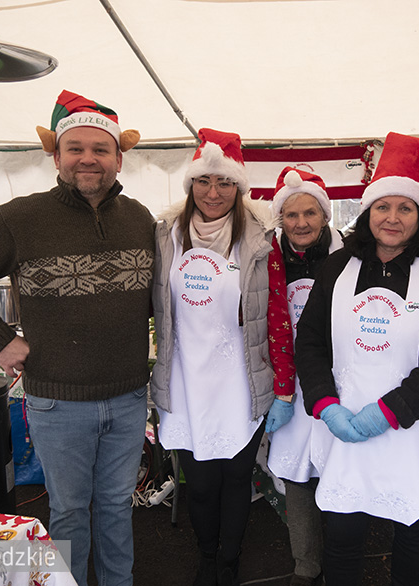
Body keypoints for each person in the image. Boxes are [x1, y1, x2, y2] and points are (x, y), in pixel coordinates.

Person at [0, 90, 154, 586]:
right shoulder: (21, 218)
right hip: (58, 400)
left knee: (118, 507)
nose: (88, 159)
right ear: (55, 155)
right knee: (72, 511)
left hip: (127, 397)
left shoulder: (139, 219)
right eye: (75, 147)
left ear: (120, 158)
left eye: (100, 149)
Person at [294, 132, 419, 586]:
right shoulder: (336, 267)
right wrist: (323, 403)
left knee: (411, 527)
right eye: (382, 207)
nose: (392, 218)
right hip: (343, 420)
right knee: (344, 530)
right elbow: (309, 340)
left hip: (410, 425)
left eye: (404, 208)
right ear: (368, 212)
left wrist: (391, 411)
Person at [150, 128, 295, 586]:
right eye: (204, 182)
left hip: (239, 380)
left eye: (225, 183)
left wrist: (283, 386)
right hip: (186, 380)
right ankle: (206, 557)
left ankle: (229, 563)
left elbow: (277, 316)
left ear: (239, 188)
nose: (214, 193)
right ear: (190, 185)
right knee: (201, 482)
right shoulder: (163, 237)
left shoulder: (260, 241)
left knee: (235, 480)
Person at [265, 166, 343, 586]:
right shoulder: (270, 260)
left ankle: (342, 557)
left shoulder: (350, 260)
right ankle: (305, 565)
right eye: (291, 215)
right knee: (298, 476)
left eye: (309, 213)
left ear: (324, 216)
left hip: (337, 383)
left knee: (339, 468)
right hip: (288, 384)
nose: (300, 223)